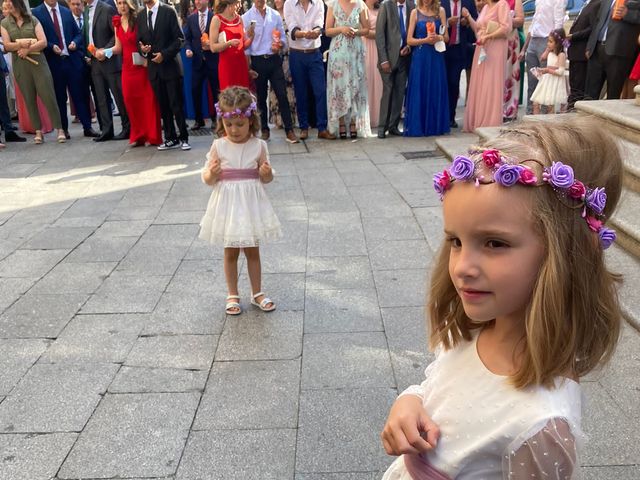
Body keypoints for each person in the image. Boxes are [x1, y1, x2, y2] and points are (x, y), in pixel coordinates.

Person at [380, 118, 623, 479]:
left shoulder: (541, 425)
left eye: (495, 243)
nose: (462, 267)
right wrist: (411, 401)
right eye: (456, 242)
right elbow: (438, 386)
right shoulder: (476, 330)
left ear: (565, 255)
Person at [199, 86, 282, 316]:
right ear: (221, 122)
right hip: (228, 205)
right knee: (231, 251)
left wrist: (266, 173)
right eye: (229, 125)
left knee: (252, 250)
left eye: (240, 124)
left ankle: (257, 292)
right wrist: (212, 173)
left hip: (251, 205)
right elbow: (206, 177)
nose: (234, 130)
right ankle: (232, 293)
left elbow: (267, 177)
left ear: (251, 121)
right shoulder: (219, 146)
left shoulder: (259, 145)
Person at [1, 0, 65, 144]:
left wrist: (28, 49)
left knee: (48, 95)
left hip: (39, 63)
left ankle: (59, 129)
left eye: (10, 1)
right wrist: (21, 44)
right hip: (21, 65)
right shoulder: (5, 23)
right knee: (29, 98)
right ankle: (38, 131)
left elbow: (42, 41)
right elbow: (6, 45)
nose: (8, 4)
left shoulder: (32, 19)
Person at [32, 0, 98, 139]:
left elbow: (78, 34)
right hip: (53, 62)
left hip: (71, 60)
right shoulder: (36, 13)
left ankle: (87, 127)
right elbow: (37, 37)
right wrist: (50, 46)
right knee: (59, 97)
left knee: (80, 94)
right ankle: (63, 129)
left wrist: (75, 42)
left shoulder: (66, 11)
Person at [242, 0, 299, 143]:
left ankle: (289, 130)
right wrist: (248, 66)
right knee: (261, 97)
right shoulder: (246, 17)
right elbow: (245, 45)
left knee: (282, 94)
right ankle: (264, 129)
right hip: (257, 60)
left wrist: (279, 45)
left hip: (274, 59)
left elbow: (283, 39)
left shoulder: (275, 15)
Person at [137, 0, 191, 151]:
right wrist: (144, 49)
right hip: (154, 69)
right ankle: (170, 137)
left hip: (170, 66)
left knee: (176, 104)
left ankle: (184, 137)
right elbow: (139, 41)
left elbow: (179, 39)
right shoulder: (141, 15)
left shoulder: (168, 11)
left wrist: (164, 55)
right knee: (163, 105)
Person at [284, 0, 336, 140]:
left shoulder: (318, 2)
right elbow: (291, 26)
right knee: (301, 92)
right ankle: (304, 127)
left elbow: (320, 23)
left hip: (314, 52)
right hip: (297, 53)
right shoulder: (289, 3)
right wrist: (302, 34)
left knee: (320, 90)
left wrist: (316, 31)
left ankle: (322, 128)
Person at [111, 0, 161, 146]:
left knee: (148, 101)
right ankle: (138, 135)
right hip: (127, 68)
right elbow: (118, 47)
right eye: (119, 3)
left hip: (142, 66)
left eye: (124, 3)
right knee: (130, 100)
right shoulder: (117, 22)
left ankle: (152, 135)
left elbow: (146, 40)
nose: (122, 6)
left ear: (130, 4)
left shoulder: (139, 19)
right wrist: (104, 51)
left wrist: (146, 54)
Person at [84, 0, 130, 142]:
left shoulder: (107, 9)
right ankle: (107, 130)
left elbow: (116, 35)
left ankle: (127, 128)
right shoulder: (86, 10)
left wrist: (105, 50)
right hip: (94, 61)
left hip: (110, 61)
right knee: (101, 98)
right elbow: (88, 33)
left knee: (118, 96)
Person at [462, 0, 511, 132]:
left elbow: (505, 28)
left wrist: (488, 36)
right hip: (482, 47)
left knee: (490, 82)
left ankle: (489, 121)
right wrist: (469, 17)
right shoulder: (485, 8)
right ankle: (477, 120)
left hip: (495, 47)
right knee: (480, 83)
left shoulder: (502, 5)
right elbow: (478, 28)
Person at [325, 0, 371, 139]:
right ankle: (340, 122)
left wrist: (356, 31)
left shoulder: (360, 5)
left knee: (355, 85)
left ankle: (353, 121)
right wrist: (341, 29)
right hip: (338, 54)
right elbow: (327, 30)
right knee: (339, 87)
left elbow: (367, 29)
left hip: (355, 53)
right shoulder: (333, 5)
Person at [403, 0, 449, 136]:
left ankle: (435, 125)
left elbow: (446, 37)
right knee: (420, 88)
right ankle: (419, 125)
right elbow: (409, 40)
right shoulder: (414, 13)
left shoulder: (440, 11)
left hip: (436, 57)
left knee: (435, 87)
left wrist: (438, 37)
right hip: (420, 57)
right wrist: (425, 40)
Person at [585, 0, 640, 100]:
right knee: (590, 94)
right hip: (597, 50)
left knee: (612, 96)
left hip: (618, 52)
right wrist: (590, 45)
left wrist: (627, 14)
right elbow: (598, 21)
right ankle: (587, 116)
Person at [376, 0, 415, 138]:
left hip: (405, 57)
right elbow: (379, 34)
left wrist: (409, 47)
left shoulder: (411, 6)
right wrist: (383, 59)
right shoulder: (386, 5)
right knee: (388, 92)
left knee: (399, 93)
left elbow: (413, 31)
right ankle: (382, 127)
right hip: (388, 59)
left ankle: (393, 126)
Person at [520, 0, 566, 113]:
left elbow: (558, 25)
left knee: (545, 82)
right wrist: (524, 48)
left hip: (547, 41)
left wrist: (548, 50)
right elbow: (534, 22)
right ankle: (530, 113)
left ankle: (544, 116)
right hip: (533, 41)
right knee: (532, 80)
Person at [184, 0, 218, 131]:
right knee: (195, 90)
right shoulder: (191, 18)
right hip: (197, 61)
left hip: (212, 60)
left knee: (216, 90)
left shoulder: (214, 17)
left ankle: (216, 119)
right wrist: (188, 48)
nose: (197, 2)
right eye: (195, 0)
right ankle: (199, 120)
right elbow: (187, 38)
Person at [443, 0, 477, 128]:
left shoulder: (468, 2)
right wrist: (447, 22)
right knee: (442, 83)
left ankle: (450, 117)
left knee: (454, 83)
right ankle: (440, 115)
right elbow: (432, 21)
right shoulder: (442, 2)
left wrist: (467, 21)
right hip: (442, 49)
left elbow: (476, 19)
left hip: (459, 49)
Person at [210, 0, 253, 91]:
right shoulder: (216, 19)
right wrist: (228, 43)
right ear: (229, 4)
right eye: (238, 3)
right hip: (227, 67)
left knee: (243, 99)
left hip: (241, 65)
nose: (240, 6)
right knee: (229, 100)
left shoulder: (239, 19)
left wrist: (252, 37)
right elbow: (213, 47)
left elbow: (243, 45)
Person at [268, 0, 297, 130]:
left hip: (290, 56)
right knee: (275, 88)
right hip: (275, 56)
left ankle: (291, 119)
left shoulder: (291, 13)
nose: (277, 1)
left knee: (290, 88)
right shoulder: (271, 15)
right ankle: (278, 119)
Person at [567, 0, 601, 109]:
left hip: (581, 52)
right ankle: (571, 108)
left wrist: (574, 36)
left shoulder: (597, 3)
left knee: (578, 86)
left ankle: (573, 110)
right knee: (573, 84)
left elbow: (592, 28)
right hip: (574, 52)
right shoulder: (587, 4)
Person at [531, 28, 568, 113]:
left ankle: (549, 124)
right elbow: (542, 58)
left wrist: (547, 70)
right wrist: (547, 50)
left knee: (550, 106)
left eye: (551, 42)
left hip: (554, 82)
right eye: (548, 41)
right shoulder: (550, 52)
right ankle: (535, 123)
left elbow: (561, 72)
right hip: (547, 81)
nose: (548, 43)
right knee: (535, 103)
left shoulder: (561, 55)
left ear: (558, 43)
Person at [502, 0, 523, 121]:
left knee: (510, 74)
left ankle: (509, 110)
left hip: (511, 42)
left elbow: (520, 21)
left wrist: (505, 21)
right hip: (496, 40)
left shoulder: (516, 1)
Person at [364, 0, 382, 128]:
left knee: (379, 81)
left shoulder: (381, 9)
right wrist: (381, 35)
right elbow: (364, 31)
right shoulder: (361, 9)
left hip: (380, 48)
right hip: (366, 47)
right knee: (367, 81)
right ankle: (367, 117)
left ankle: (379, 116)